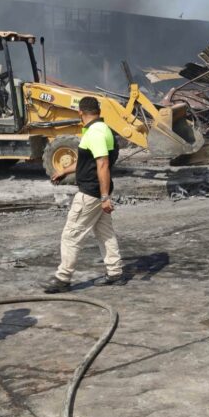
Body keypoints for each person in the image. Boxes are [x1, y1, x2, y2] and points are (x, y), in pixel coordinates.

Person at [41, 96, 125, 292]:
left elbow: (102, 164)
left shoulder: (94, 133)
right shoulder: (104, 130)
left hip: (91, 193)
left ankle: (63, 279)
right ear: (98, 112)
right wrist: (64, 170)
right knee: (105, 233)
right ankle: (115, 273)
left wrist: (104, 197)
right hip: (99, 192)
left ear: (80, 113)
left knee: (71, 235)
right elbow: (87, 161)